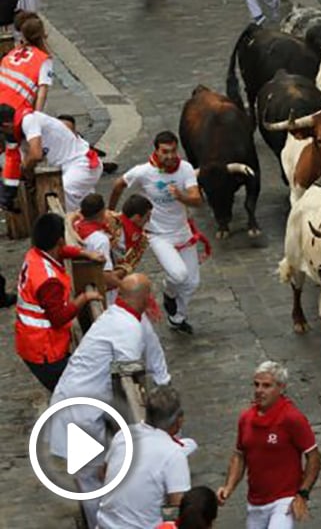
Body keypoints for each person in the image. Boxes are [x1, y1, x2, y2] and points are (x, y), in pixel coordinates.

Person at [48, 273, 172, 527]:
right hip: (80, 413)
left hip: (76, 403)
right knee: (92, 479)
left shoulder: (116, 315)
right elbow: (130, 377)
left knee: (97, 475)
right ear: (144, 298)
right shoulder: (128, 329)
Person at [109, 131, 204, 335]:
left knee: (192, 282)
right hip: (158, 234)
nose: (170, 156)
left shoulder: (185, 169)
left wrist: (181, 197)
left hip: (183, 232)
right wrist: (110, 211)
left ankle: (177, 318)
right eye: (165, 152)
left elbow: (197, 200)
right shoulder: (143, 172)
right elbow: (118, 185)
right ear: (156, 151)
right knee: (179, 275)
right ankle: (169, 289)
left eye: (173, 151)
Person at [217, 361, 321, 529]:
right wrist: (228, 487)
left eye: (266, 386)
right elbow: (239, 455)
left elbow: (314, 456)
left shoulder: (292, 418)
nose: (259, 390)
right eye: (257, 384)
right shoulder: (245, 419)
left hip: (284, 501)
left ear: (281, 388)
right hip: (255, 503)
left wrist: (303, 494)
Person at [15, 213, 104, 392]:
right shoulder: (49, 281)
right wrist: (84, 298)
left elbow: (60, 251)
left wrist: (83, 252)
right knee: (73, 394)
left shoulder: (35, 254)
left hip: (30, 342)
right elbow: (58, 318)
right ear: (61, 240)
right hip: (46, 351)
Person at [99, 386, 192, 529]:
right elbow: (178, 510)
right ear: (178, 420)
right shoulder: (174, 454)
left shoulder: (124, 435)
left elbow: (103, 474)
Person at [0, 104, 104, 213]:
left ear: (6, 126)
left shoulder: (29, 120)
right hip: (70, 169)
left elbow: (35, 155)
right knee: (88, 211)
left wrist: (24, 168)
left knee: (61, 204)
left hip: (82, 164)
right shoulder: (20, 134)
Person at [0, 13, 54, 207]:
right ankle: (7, 196)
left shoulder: (12, 54)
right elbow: (41, 93)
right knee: (13, 150)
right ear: (42, 35)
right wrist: (36, 117)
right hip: (14, 110)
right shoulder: (43, 59)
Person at [71, 193, 125, 301]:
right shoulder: (100, 240)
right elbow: (106, 275)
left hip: (81, 281)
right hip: (102, 293)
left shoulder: (76, 224)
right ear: (102, 211)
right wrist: (125, 286)